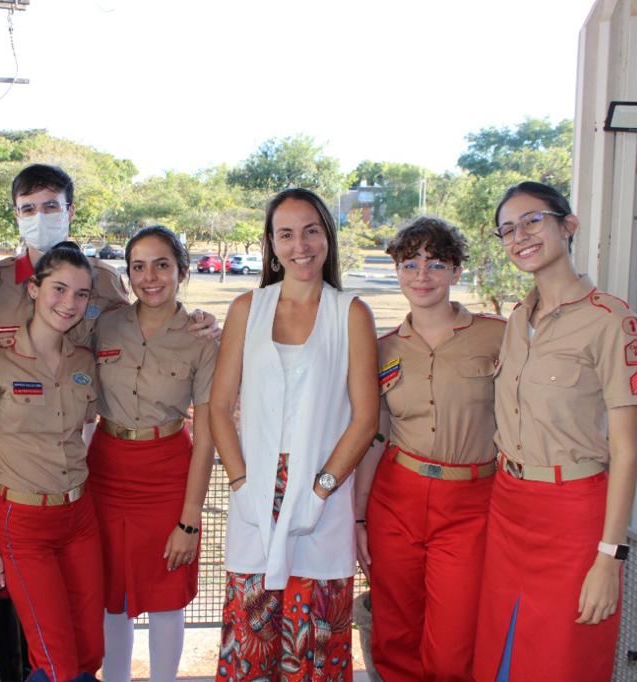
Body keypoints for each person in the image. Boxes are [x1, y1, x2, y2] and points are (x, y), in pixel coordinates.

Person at [0, 164, 217, 680]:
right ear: (16, 216)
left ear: (70, 211)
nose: (40, 217)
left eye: (51, 205)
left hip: (70, 466)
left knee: (80, 601)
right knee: (3, 583)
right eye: (28, 208)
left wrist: (202, 321)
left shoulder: (103, 283)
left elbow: (141, 328)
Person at [473, 182, 637, 681]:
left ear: (567, 226)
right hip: (508, 506)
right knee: (499, 658)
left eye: (532, 221)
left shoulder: (611, 320)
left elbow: (627, 452)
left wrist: (609, 558)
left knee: (563, 660)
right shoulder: (516, 320)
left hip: (574, 516)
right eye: (507, 229)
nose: (519, 236)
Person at [209, 187, 378, 677]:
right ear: (271, 243)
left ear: (327, 236)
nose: (300, 245)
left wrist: (320, 489)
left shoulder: (351, 313)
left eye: (311, 231)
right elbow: (219, 408)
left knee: (315, 651)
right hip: (255, 495)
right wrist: (240, 485)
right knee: (251, 644)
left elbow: (365, 419)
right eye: (286, 234)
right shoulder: (248, 309)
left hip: (321, 495)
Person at [352, 217, 505, 681]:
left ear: (457, 271)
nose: (422, 275)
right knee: (395, 632)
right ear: (396, 270)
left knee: (453, 640)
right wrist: (359, 517)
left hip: (471, 504)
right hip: (396, 498)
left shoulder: (499, 336)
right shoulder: (380, 349)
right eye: (410, 263)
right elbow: (374, 434)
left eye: (436, 263)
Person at [0, 242, 103, 682]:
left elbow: (88, 426)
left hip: (79, 518)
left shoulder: (82, 361)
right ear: (34, 290)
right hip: (23, 524)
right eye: (59, 288)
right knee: (55, 660)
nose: (70, 303)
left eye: (81, 294)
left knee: (88, 654)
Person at [89, 226, 218, 682]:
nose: (150, 277)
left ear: (182, 271)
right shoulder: (104, 324)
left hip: (168, 472)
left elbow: (207, 435)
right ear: (128, 275)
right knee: (111, 596)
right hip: (104, 468)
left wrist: (190, 518)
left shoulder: (202, 337)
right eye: (138, 267)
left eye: (162, 265)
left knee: (166, 593)